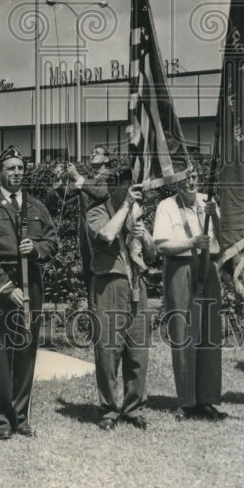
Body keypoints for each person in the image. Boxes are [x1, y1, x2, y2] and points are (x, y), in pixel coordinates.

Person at [0, 146, 59, 439]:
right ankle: (0, 420)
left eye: (20, 168)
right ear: (0, 173)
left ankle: (21, 417)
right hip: (0, 288)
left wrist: (36, 249)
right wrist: (6, 288)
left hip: (30, 283)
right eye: (10, 168)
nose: (16, 173)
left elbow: (52, 243)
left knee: (25, 351)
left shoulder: (36, 207)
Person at [153, 168, 226, 421]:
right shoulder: (166, 206)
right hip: (180, 269)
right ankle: (186, 400)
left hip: (208, 269)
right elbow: (161, 246)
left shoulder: (209, 202)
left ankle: (207, 399)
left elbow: (223, 240)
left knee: (209, 334)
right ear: (176, 183)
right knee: (184, 334)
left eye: (195, 177)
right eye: (186, 179)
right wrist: (192, 242)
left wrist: (214, 217)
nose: (192, 182)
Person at [85, 170, 156, 431]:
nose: (130, 192)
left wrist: (144, 234)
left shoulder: (136, 213)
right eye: (125, 188)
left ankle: (134, 408)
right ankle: (109, 409)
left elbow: (152, 253)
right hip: (109, 286)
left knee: (138, 353)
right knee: (107, 352)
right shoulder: (97, 211)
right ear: (113, 189)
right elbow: (105, 235)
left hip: (137, 285)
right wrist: (126, 206)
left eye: (133, 188)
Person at [66, 145, 113, 305]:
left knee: (103, 279)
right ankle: (94, 318)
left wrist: (78, 176)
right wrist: (59, 180)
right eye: (91, 152)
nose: (92, 154)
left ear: (106, 159)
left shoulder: (111, 177)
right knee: (89, 279)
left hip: (103, 237)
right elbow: (66, 196)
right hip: (86, 239)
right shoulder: (87, 180)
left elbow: (101, 193)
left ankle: (104, 315)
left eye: (97, 153)